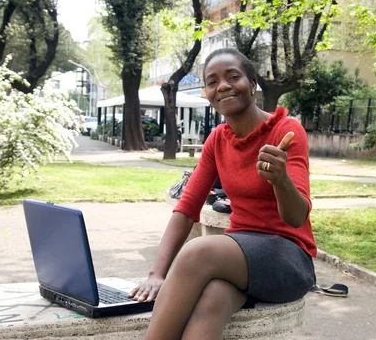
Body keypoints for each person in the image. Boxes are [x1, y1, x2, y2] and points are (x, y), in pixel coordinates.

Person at [128, 48, 316, 340]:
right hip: (240, 256)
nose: (223, 86)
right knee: (212, 299)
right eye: (212, 81)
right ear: (206, 93)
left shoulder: (286, 130)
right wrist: (156, 274)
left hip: (288, 259)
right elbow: (187, 208)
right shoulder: (217, 139)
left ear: (252, 84)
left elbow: (296, 218)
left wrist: (280, 181)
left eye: (233, 77)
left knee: (198, 251)